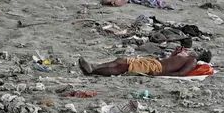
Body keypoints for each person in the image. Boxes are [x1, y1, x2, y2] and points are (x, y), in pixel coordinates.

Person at [79, 46, 208, 77]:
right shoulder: (188, 56)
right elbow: (171, 61)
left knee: (124, 67)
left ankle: (93, 71)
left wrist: (160, 75)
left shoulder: (192, 61)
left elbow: (181, 73)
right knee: (121, 60)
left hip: (157, 68)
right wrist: (175, 53)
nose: (198, 49)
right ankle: (93, 66)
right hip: (155, 62)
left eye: (201, 50)